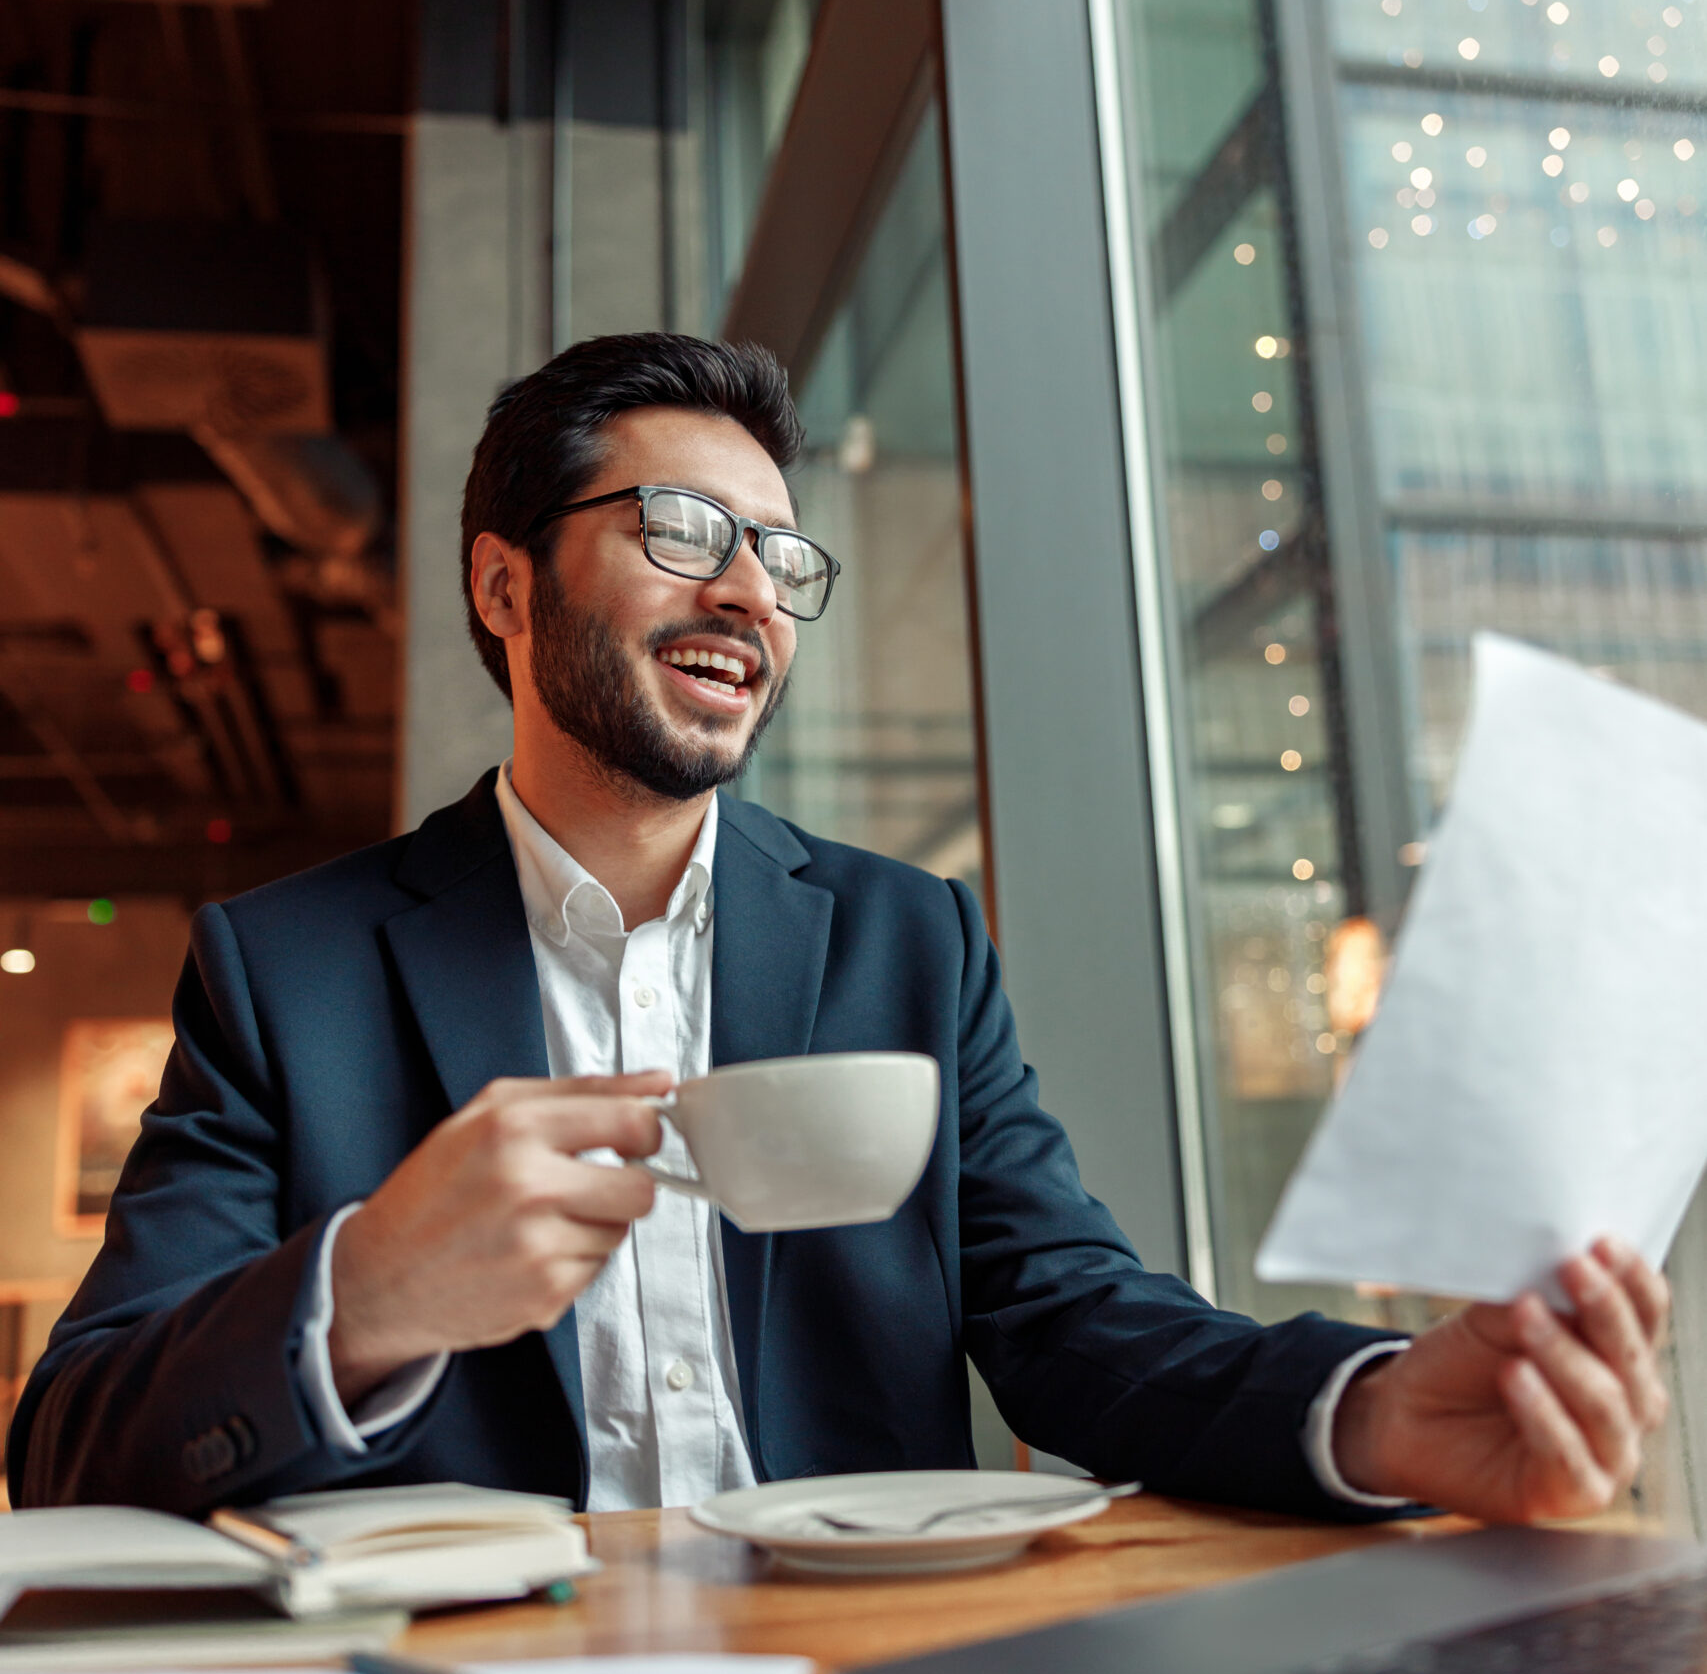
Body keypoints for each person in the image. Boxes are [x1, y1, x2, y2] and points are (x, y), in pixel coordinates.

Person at [8, 336, 1669, 1524]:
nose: (746, 594)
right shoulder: (283, 968)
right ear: (505, 590)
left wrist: (1370, 1413)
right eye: (678, 534)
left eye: (780, 559)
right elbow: (75, 1440)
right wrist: (367, 1292)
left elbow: (1074, 1321)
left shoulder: (910, 942)